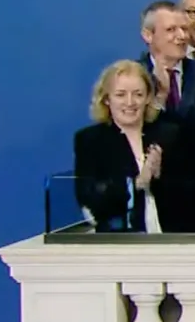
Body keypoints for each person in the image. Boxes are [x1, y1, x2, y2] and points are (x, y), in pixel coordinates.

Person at [73, 60, 182, 233]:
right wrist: (138, 183)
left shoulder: (170, 135)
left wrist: (161, 176)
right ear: (107, 99)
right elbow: (92, 200)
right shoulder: (91, 140)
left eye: (138, 94)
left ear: (148, 98)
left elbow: (189, 197)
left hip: (170, 238)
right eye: (120, 94)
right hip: (118, 240)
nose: (130, 102)